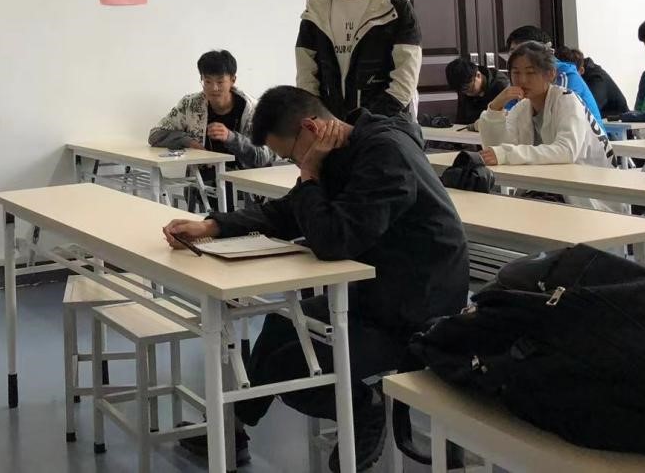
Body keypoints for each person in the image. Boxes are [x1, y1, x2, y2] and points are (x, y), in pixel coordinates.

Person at [162, 86, 468, 471]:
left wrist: (308, 175)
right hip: (376, 296)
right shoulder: (340, 151)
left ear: (310, 128)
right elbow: (288, 212)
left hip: (418, 313)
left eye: (291, 155)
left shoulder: (384, 154)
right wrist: (212, 226)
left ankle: (364, 407)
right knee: (280, 323)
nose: (295, 165)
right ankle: (232, 431)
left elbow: (334, 241)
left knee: (290, 367)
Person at [478, 42, 624, 213]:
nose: (522, 80)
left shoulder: (567, 100)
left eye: (530, 73)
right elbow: (495, 149)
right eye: (516, 73)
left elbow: (566, 151)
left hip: (588, 193)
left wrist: (506, 154)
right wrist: (495, 108)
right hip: (548, 186)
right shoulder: (522, 108)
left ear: (551, 74)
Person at [148, 50, 277, 207]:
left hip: (246, 184)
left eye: (220, 82)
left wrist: (231, 137)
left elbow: (265, 156)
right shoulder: (190, 105)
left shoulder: (253, 110)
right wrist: (189, 142)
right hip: (203, 181)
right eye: (207, 81)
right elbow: (155, 134)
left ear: (233, 80)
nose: (213, 88)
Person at [505, 25, 606, 133]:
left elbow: (561, 123)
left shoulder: (565, 77)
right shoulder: (520, 77)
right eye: (513, 53)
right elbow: (509, 121)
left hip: (580, 140)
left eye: (525, 53)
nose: (518, 59)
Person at [555, 47, 629, 119]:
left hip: (620, 121)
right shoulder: (579, 74)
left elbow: (590, 109)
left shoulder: (597, 79)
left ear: (581, 70)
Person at [444, 57, 509, 126]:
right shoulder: (463, 88)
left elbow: (506, 119)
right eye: (462, 91)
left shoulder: (501, 86)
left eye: (469, 89)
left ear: (478, 75)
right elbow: (461, 121)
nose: (467, 94)